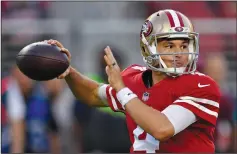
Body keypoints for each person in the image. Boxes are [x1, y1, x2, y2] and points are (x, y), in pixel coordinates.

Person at [46, 9, 221, 153]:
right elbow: (92, 94)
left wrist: (122, 91)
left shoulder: (202, 86)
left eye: (184, 45)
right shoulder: (134, 78)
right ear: (149, 47)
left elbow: (162, 129)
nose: (179, 53)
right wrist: (69, 72)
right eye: (169, 45)